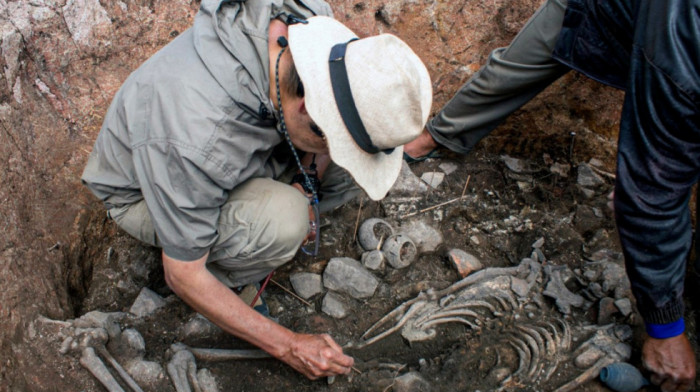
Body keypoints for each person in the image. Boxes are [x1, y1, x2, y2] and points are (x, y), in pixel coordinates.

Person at [81, 0, 432, 380]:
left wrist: (308, 179)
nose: (334, 153)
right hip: (144, 193)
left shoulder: (309, 25)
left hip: (236, 155)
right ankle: (231, 274)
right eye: (331, 140)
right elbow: (182, 274)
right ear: (307, 111)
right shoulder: (196, 136)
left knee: (347, 173)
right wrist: (290, 345)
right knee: (285, 220)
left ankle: (274, 205)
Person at [404, 0, 698, 391]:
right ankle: (428, 141)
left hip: (664, 47)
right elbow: (651, 192)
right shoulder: (685, 40)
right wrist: (665, 327)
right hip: (612, 15)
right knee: (511, 71)